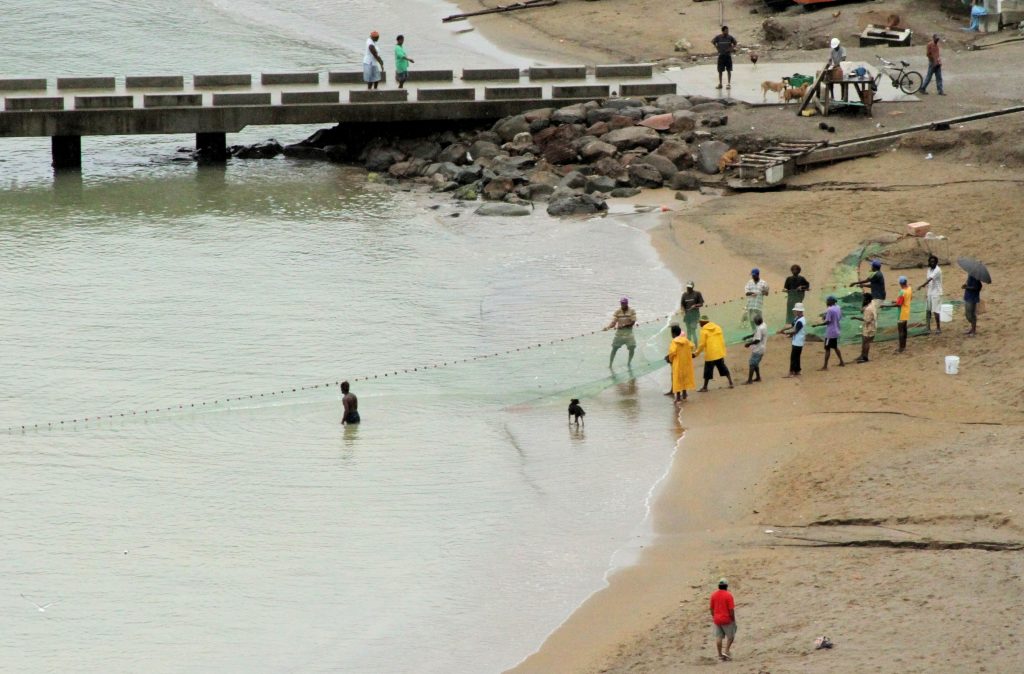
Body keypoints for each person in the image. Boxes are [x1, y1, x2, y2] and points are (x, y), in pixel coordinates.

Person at [694, 315, 734, 391]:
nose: (699, 324)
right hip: (719, 352)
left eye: (700, 322)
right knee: (723, 368)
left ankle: (705, 387)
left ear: (703, 322)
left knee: (708, 371)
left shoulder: (704, 331)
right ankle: (731, 382)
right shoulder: (718, 327)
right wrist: (722, 350)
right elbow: (721, 340)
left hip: (710, 354)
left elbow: (702, 344)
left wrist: (696, 354)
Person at [813, 295, 845, 369]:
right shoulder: (838, 307)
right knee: (835, 347)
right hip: (836, 330)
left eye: (827, 301)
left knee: (827, 348)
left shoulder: (830, 310)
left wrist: (817, 325)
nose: (826, 302)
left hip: (830, 332)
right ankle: (841, 361)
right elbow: (839, 317)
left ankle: (825, 366)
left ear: (830, 302)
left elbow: (827, 322)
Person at [665, 324, 696, 401]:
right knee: (684, 378)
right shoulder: (686, 340)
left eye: (671, 333)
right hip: (686, 362)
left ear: (674, 333)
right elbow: (692, 346)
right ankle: (684, 394)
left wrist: (670, 359)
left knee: (677, 379)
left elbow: (672, 352)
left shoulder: (674, 342)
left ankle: (678, 397)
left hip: (677, 363)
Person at [605, 297, 637, 368]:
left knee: (632, 347)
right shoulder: (617, 312)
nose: (622, 304)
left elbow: (633, 322)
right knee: (614, 348)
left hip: (629, 334)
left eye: (624, 303)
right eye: (621, 303)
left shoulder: (632, 311)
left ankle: (629, 363)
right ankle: (610, 365)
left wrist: (624, 325)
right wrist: (608, 327)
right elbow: (613, 322)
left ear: (627, 303)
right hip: (619, 334)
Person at [710, 578, 737, 662]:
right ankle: (727, 650)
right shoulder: (728, 595)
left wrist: (714, 616)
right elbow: (731, 610)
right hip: (726, 619)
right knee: (731, 637)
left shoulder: (713, 595)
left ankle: (719, 654)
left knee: (719, 637)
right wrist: (733, 619)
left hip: (717, 620)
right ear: (726, 586)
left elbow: (711, 608)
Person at [885, 276, 913, 353]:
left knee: (900, 331)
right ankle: (904, 346)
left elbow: (898, 305)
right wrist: (896, 301)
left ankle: (901, 348)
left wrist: (885, 305)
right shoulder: (909, 289)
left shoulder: (902, 292)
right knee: (904, 329)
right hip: (907, 311)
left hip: (901, 313)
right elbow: (909, 299)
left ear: (900, 283)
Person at [779, 302, 806, 377]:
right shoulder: (798, 318)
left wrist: (786, 333)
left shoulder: (801, 321)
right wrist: (783, 330)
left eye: (796, 310)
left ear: (799, 311)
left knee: (793, 357)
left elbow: (795, 331)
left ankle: (791, 372)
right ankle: (797, 370)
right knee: (796, 357)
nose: (794, 312)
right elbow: (791, 325)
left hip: (798, 341)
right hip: (797, 341)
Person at [917, 255, 943, 334]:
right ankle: (928, 328)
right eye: (931, 262)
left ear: (936, 262)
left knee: (936, 311)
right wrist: (927, 292)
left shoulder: (937, 270)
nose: (932, 263)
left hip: (937, 293)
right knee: (928, 310)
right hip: (930, 292)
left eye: (933, 262)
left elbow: (929, 279)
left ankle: (938, 328)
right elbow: (928, 280)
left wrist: (921, 285)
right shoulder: (929, 269)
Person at [850, 292, 877, 363]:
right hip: (870, 326)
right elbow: (862, 310)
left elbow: (866, 320)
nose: (863, 300)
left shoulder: (868, 309)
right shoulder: (872, 303)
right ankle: (862, 355)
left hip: (869, 327)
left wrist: (856, 318)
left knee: (866, 342)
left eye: (864, 299)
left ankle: (865, 357)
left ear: (867, 300)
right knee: (864, 341)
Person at [743, 315, 767, 384]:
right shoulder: (763, 324)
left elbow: (757, 340)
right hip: (761, 348)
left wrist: (749, 344)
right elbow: (756, 333)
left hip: (758, 349)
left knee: (752, 364)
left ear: (756, 322)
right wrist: (749, 336)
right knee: (755, 363)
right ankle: (758, 377)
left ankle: (749, 380)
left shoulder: (760, 328)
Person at [712, 26, 737, 90]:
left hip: (728, 56)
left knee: (729, 70)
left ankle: (728, 84)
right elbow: (713, 41)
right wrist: (717, 47)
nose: (727, 32)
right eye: (726, 31)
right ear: (723, 31)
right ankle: (720, 84)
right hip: (721, 56)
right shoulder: (718, 37)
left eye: (728, 30)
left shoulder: (730, 37)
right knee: (720, 70)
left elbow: (735, 43)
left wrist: (731, 48)